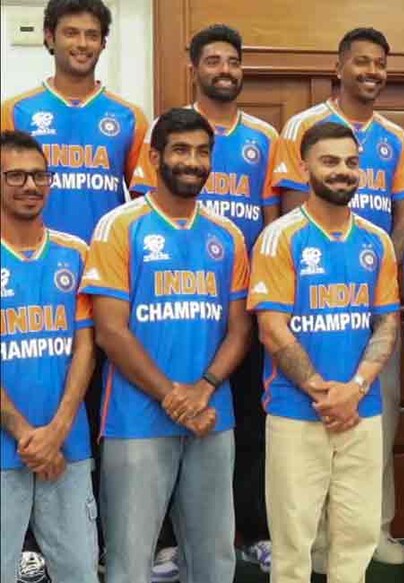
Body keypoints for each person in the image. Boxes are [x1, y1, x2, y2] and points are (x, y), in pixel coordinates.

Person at [129, 23, 281, 574]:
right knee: (160, 418)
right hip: (175, 295)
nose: (224, 69)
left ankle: (252, 532)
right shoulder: (165, 131)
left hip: (238, 298)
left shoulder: (264, 137)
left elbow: (270, 221)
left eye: (232, 61)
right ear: (193, 65)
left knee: (246, 420)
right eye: (213, 60)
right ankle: (168, 541)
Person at [79, 108, 252, 583]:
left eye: (202, 152)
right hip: (136, 420)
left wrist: (204, 388)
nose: (192, 161)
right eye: (180, 150)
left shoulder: (228, 235)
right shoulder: (119, 227)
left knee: (214, 558)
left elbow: (239, 329)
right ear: (155, 157)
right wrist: (174, 397)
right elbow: (110, 331)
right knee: (130, 560)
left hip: (212, 417)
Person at [274, 26, 404, 563]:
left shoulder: (394, 137)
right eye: (362, 62)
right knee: (311, 422)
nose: (372, 72)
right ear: (340, 67)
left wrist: (378, 269)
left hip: (373, 298)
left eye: (380, 63)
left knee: (375, 417)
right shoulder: (302, 126)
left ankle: (372, 529)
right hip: (309, 300)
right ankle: (316, 539)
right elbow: (290, 209)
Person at [249, 121, 400, 583]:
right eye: (330, 162)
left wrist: (354, 390)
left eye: (352, 163)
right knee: (294, 547)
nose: (342, 172)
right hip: (298, 413)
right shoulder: (281, 237)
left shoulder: (377, 240)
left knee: (356, 543)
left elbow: (386, 322)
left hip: (362, 411)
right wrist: (324, 393)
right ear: (304, 167)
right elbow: (273, 331)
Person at [0, 130, 98, 583]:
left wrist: (56, 431)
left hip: (68, 447)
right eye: (15, 175)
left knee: (78, 571)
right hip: (7, 448)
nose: (30, 185)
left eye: (39, 175)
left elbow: (85, 347)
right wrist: (25, 433)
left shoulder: (75, 253)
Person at [0, 0, 147, 243]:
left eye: (91, 35)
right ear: (49, 37)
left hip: (105, 262)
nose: (82, 44)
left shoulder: (130, 118)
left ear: (103, 43)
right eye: (71, 33)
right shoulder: (15, 112)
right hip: (33, 260)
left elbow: (143, 205)